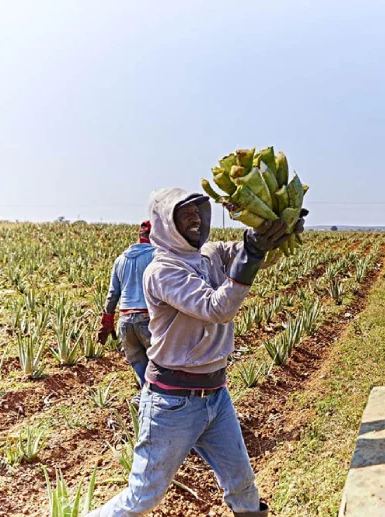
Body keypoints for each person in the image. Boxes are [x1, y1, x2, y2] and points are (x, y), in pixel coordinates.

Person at [88, 188, 305, 517]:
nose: (196, 218)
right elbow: (217, 308)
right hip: (173, 404)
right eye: (184, 213)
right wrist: (252, 251)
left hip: (216, 396)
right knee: (143, 497)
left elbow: (253, 255)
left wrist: (273, 234)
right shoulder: (161, 271)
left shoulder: (210, 253)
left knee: (242, 485)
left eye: (199, 211)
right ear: (165, 222)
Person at [97, 221, 155, 403]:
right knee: (159, 363)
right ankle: (154, 400)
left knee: (139, 362)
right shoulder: (157, 256)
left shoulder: (121, 259)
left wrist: (107, 322)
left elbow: (113, 293)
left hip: (125, 320)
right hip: (148, 317)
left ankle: (145, 398)